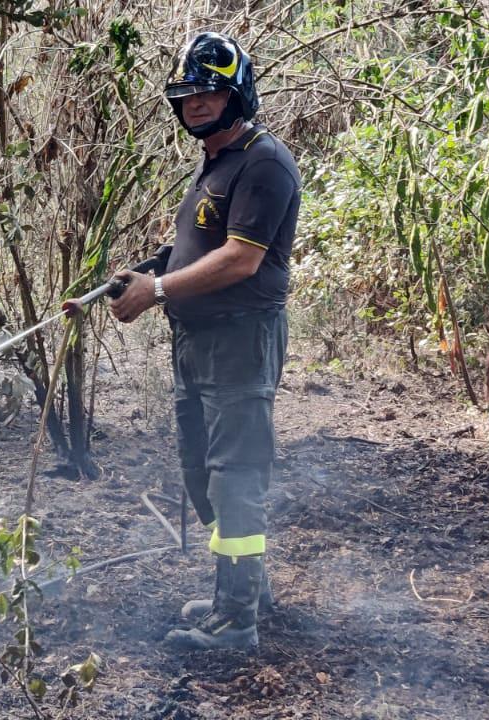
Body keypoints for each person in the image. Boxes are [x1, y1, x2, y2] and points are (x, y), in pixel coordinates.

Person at [105, 32, 300, 651]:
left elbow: (241, 260)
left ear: (238, 93)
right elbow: (201, 245)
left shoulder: (263, 161)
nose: (197, 104)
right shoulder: (218, 161)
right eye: (187, 95)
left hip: (239, 341)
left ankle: (237, 619)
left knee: (235, 475)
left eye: (210, 93)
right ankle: (242, 587)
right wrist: (148, 270)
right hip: (197, 342)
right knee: (203, 473)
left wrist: (158, 289)